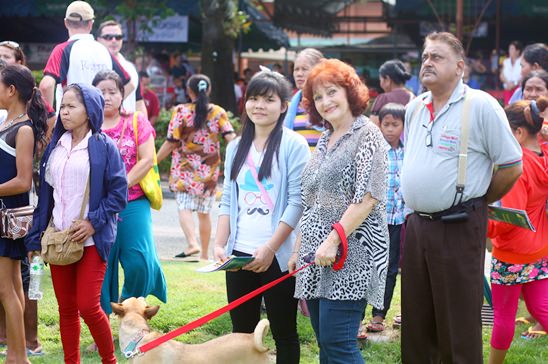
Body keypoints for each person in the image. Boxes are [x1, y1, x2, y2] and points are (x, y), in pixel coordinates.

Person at [400, 32, 523, 364]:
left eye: (436, 57)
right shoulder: (414, 107)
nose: (427, 62)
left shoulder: (480, 105)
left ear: (459, 67)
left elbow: (511, 165)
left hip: (458, 224)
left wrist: (478, 200)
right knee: (416, 319)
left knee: (458, 323)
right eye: (425, 56)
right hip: (417, 226)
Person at [291, 58, 389, 364]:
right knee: (326, 345)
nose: (325, 102)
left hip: (351, 256)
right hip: (315, 257)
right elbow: (312, 202)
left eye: (331, 92)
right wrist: (298, 249)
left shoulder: (367, 134)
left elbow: (368, 197)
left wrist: (332, 241)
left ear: (350, 92)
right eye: (317, 97)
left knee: (339, 343)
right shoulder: (324, 138)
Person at [25, 83, 127, 364]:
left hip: (92, 239)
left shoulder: (105, 147)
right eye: (62, 106)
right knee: (66, 309)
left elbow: (119, 195)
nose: (64, 112)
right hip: (59, 239)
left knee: (88, 306)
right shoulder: (54, 148)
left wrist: (93, 223)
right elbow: (46, 200)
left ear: (89, 110)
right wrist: (35, 239)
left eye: (72, 106)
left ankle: (110, 360)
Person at [213, 69, 309, 364]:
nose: (259, 106)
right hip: (239, 255)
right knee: (241, 334)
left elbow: (297, 202)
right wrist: (219, 245)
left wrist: (269, 248)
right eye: (253, 98)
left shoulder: (294, 145)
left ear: (283, 106)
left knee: (284, 332)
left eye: (268, 100)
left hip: (278, 255)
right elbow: (228, 199)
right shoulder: (234, 147)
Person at [91, 70, 167, 316]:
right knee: (102, 264)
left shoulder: (136, 121)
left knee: (139, 261)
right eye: (101, 92)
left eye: (112, 91)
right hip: (98, 205)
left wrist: (118, 187)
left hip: (132, 200)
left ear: (122, 95)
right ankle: (103, 320)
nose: (107, 96)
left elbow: (146, 159)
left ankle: (129, 306)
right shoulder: (88, 125)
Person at [487, 97, 548, 364]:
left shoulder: (518, 164)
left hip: (511, 254)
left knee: (503, 315)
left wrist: (483, 224)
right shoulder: (544, 154)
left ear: (519, 133)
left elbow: (510, 217)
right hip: (540, 248)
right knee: (541, 308)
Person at [0, 43, 49, 358]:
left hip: (9, 220)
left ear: (11, 90)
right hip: (4, 215)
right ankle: (18, 353)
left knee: (7, 290)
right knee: (13, 288)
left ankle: (18, 355)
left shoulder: (24, 130)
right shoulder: (7, 124)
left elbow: (22, 180)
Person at [157, 75, 235, 260]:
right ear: (207, 90)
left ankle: (192, 243)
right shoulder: (218, 112)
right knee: (204, 213)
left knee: (183, 206)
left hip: (184, 168)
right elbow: (231, 138)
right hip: (209, 171)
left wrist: (152, 162)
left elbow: (170, 142)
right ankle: (205, 255)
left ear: (189, 91)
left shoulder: (181, 111)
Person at [39, 1, 133, 113]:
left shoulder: (63, 49)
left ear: (66, 23)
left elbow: (46, 85)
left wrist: (48, 118)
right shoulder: (104, 51)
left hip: (71, 124)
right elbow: (129, 85)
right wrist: (111, 111)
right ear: (91, 24)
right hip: (101, 125)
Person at [362, 103, 405, 336]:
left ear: (403, 126)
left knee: (389, 268)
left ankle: (379, 314)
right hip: (372, 219)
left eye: (395, 125)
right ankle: (358, 314)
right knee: (367, 265)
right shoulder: (374, 150)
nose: (389, 129)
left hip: (397, 221)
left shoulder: (408, 151)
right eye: (385, 124)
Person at [96, 20, 147, 115]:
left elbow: (139, 102)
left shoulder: (131, 68)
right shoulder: (92, 66)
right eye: (108, 37)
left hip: (128, 127)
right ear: (98, 40)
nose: (114, 40)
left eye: (118, 37)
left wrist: (145, 127)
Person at [283, 48, 324, 150]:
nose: (299, 74)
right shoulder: (291, 106)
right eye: (296, 69)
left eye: (304, 69)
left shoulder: (328, 103)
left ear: (318, 71)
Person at [370, 59, 414, 126]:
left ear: (387, 79)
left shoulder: (383, 98)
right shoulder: (414, 98)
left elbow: (373, 126)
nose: (380, 83)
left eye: (380, 79)